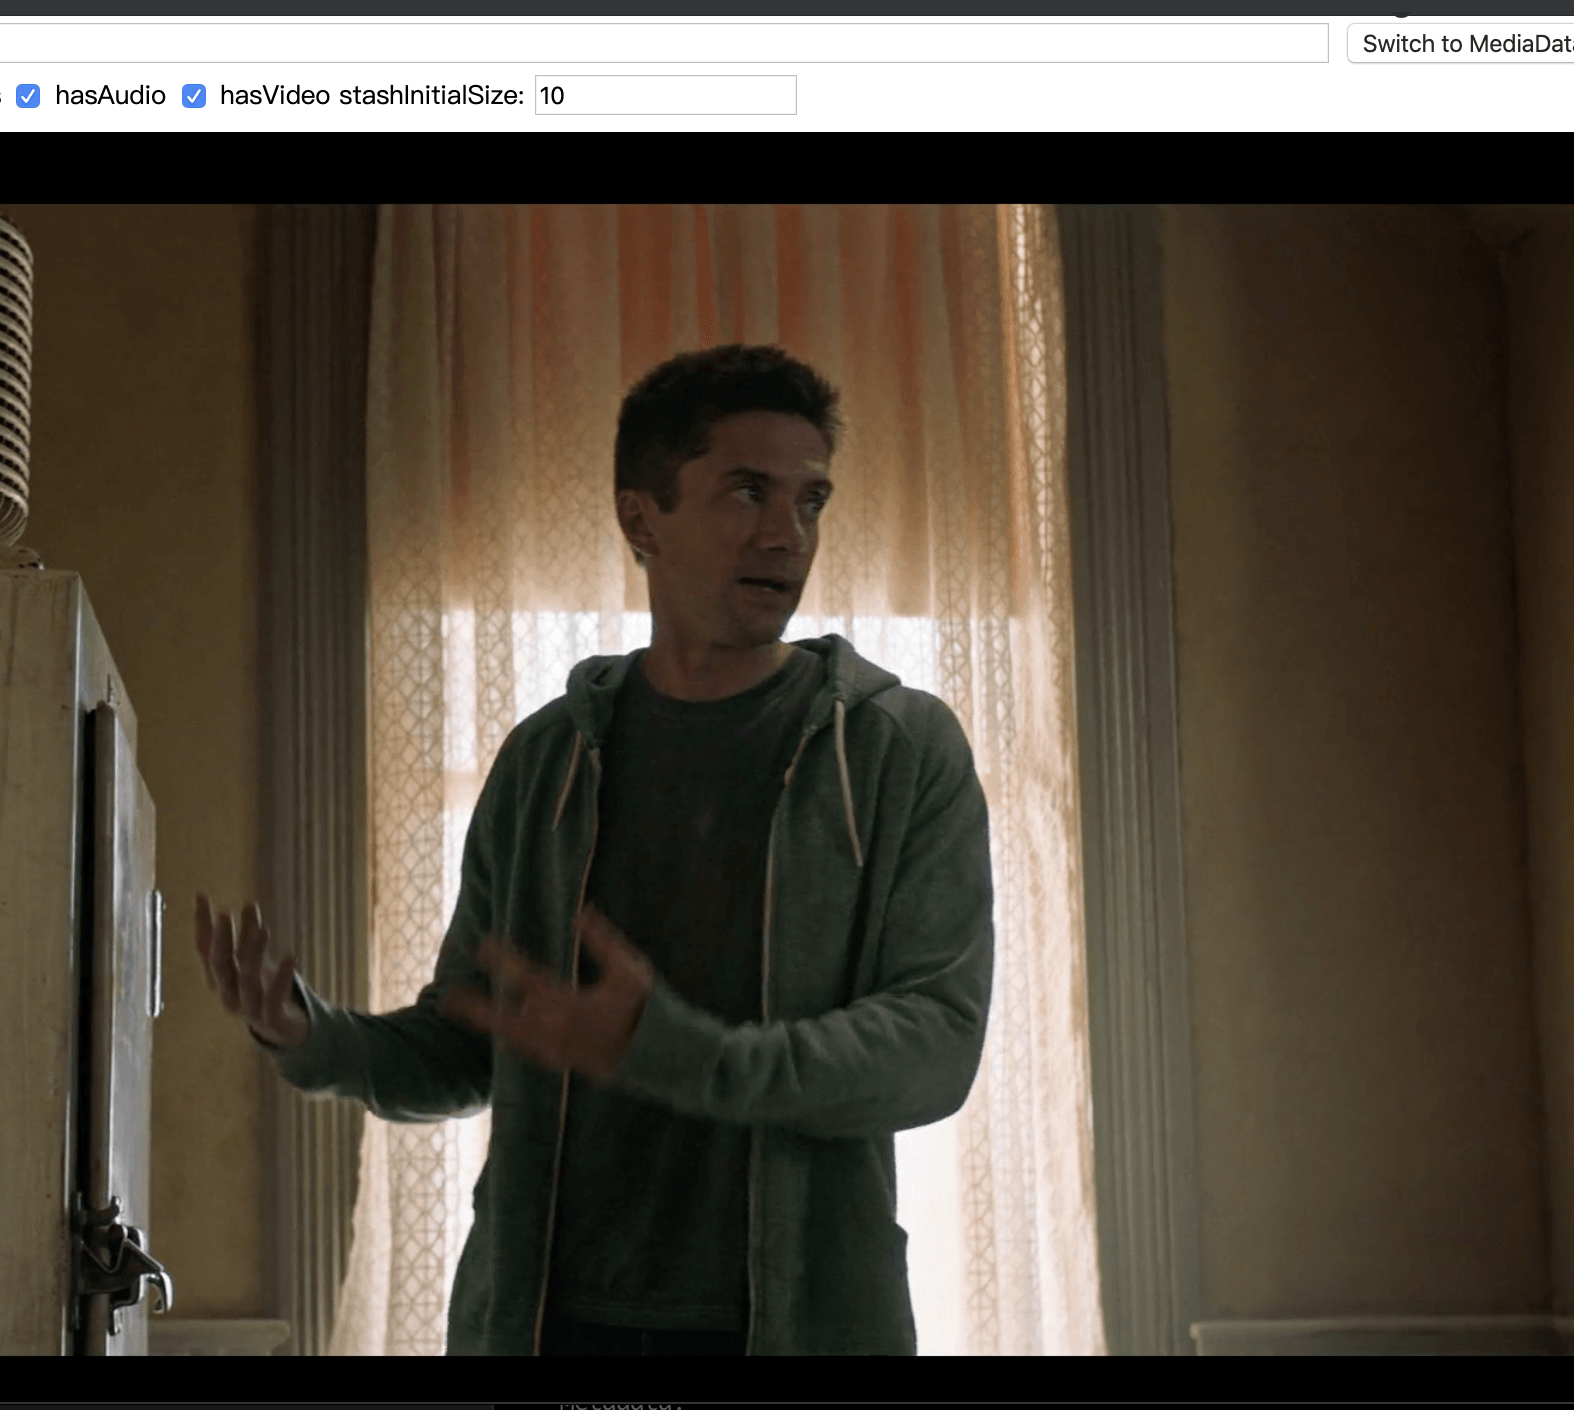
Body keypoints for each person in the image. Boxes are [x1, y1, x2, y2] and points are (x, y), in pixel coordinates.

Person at [194, 343, 994, 1356]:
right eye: (747, 490)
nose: (786, 533)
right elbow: (473, 1041)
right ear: (640, 518)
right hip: (545, 1328)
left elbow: (934, 1047)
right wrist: (312, 1036)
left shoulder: (896, 748)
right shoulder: (546, 761)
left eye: (811, 499)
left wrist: (681, 1052)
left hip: (799, 1329)